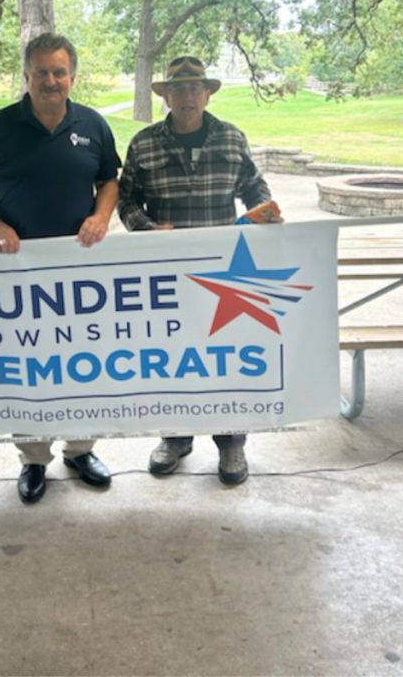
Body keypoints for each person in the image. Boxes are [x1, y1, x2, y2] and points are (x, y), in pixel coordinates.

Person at [0, 33, 121, 504]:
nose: (51, 80)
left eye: (59, 72)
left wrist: (101, 215)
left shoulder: (93, 124)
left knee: (84, 362)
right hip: (17, 271)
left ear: (72, 76)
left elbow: (109, 180)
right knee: (27, 366)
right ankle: (33, 458)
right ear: (26, 76)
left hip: (81, 271)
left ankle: (81, 450)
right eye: (41, 72)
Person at [117, 55, 279, 486]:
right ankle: (175, 437)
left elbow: (254, 188)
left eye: (195, 88)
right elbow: (126, 200)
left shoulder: (230, 137)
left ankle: (231, 443)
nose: (187, 95)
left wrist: (264, 216)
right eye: (178, 89)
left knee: (225, 355)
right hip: (166, 274)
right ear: (165, 95)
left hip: (225, 272)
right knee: (172, 355)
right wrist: (147, 228)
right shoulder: (144, 143)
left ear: (207, 93)